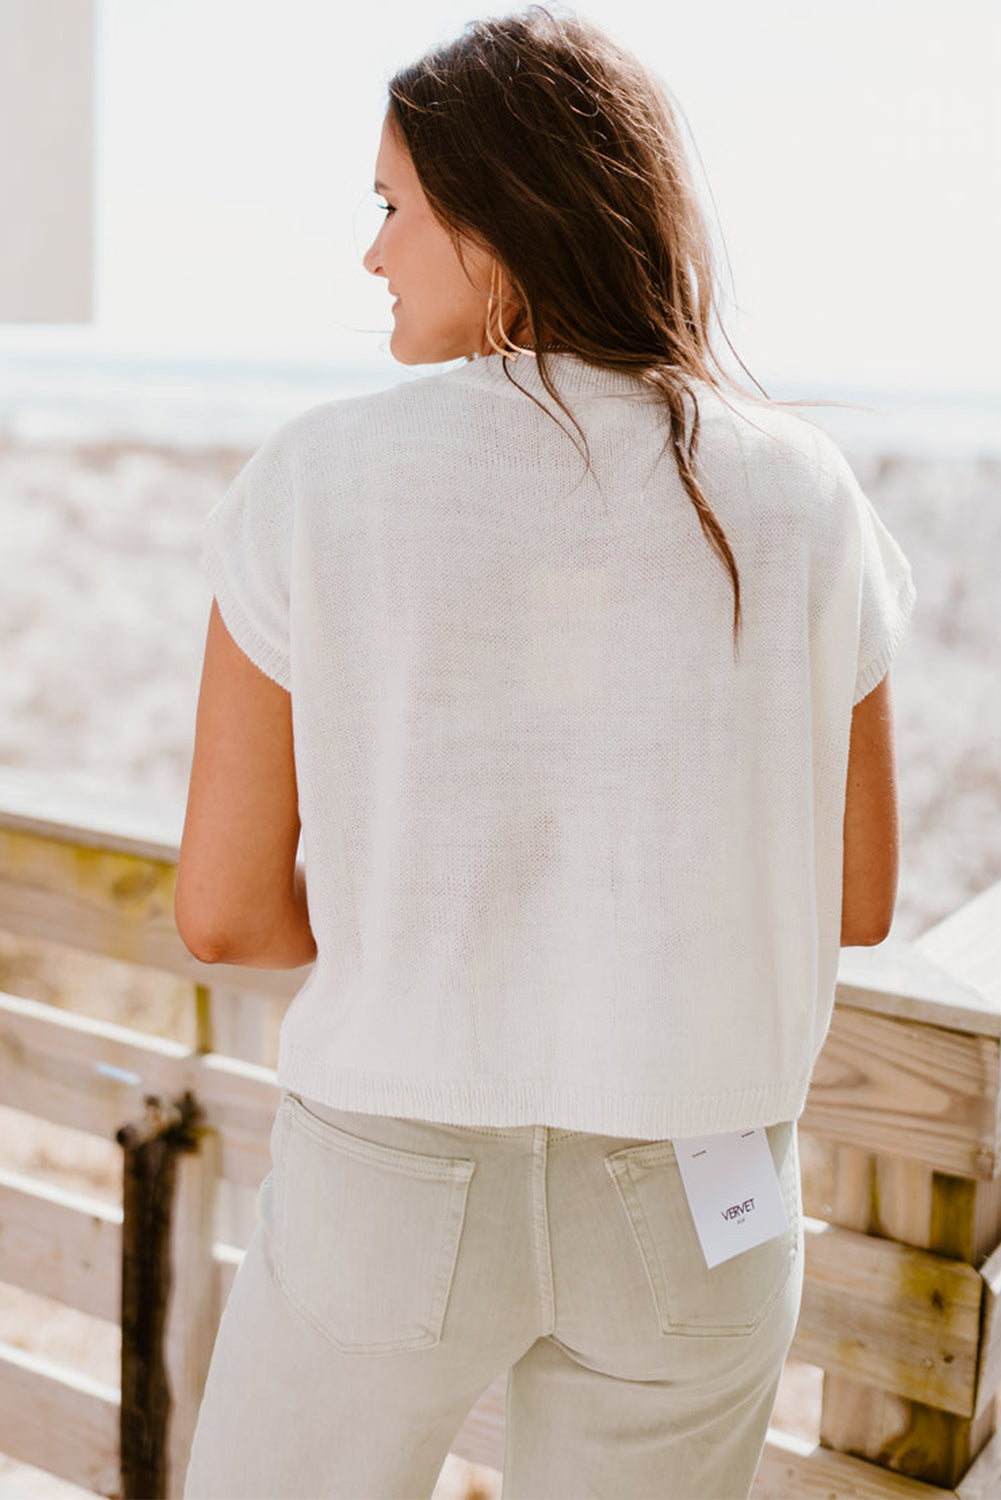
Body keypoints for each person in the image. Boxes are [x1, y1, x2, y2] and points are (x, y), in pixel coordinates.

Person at [176, 7, 915, 1497]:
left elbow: (226, 912)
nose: (369, 251)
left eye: (392, 206)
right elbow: (854, 895)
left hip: (391, 1171)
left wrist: (439, 951)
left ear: (497, 228)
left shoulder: (320, 478)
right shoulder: (801, 491)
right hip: (701, 1192)